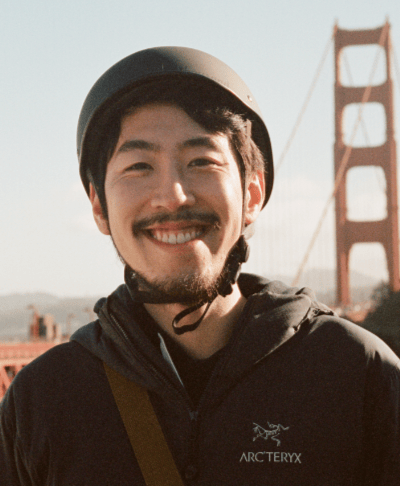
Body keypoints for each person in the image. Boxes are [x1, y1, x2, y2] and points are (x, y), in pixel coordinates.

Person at [1, 46, 399, 486]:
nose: (172, 195)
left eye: (201, 162)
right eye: (138, 166)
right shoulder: (41, 402)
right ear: (99, 207)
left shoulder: (359, 375)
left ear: (251, 194)